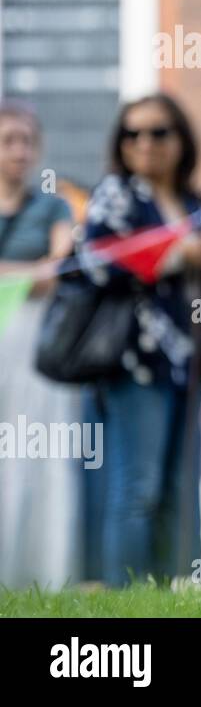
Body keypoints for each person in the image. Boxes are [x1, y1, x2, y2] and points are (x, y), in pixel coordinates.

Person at [81, 94, 201, 588]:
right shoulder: (116, 196)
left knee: (183, 487)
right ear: (121, 144)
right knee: (138, 486)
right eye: (133, 133)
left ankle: (179, 594)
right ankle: (126, 597)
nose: (145, 143)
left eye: (158, 132)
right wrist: (179, 253)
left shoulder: (197, 203)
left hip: (189, 362)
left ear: (180, 140)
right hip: (135, 361)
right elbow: (95, 265)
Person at [0, 102, 77, 589]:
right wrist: (31, 274)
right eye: (8, 140)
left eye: (27, 141)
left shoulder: (54, 205)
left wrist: (22, 276)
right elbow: (41, 270)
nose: (19, 151)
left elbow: (58, 271)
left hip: (35, 342)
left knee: (39, 450)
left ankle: (43, 572)